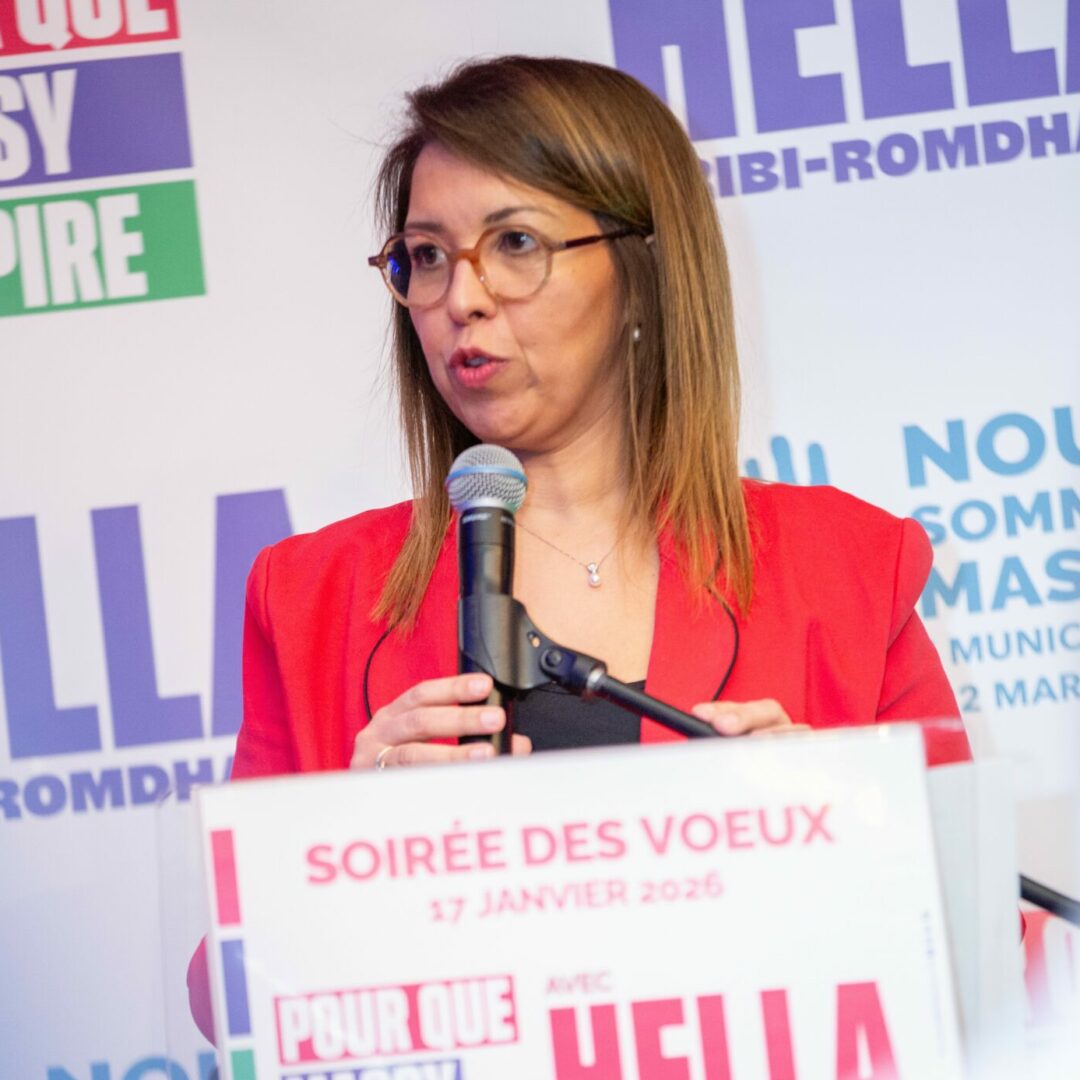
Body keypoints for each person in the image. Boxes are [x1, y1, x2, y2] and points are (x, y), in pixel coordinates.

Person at [188, 54, 969, 1042]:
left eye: (514, 243)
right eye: (426, 255)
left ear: (642, 274)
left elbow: (992, 936)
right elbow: (225, 1000)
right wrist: (344, 854)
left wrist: (851, 835)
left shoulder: (848, 566)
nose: (461, 299)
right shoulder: (311, 595)